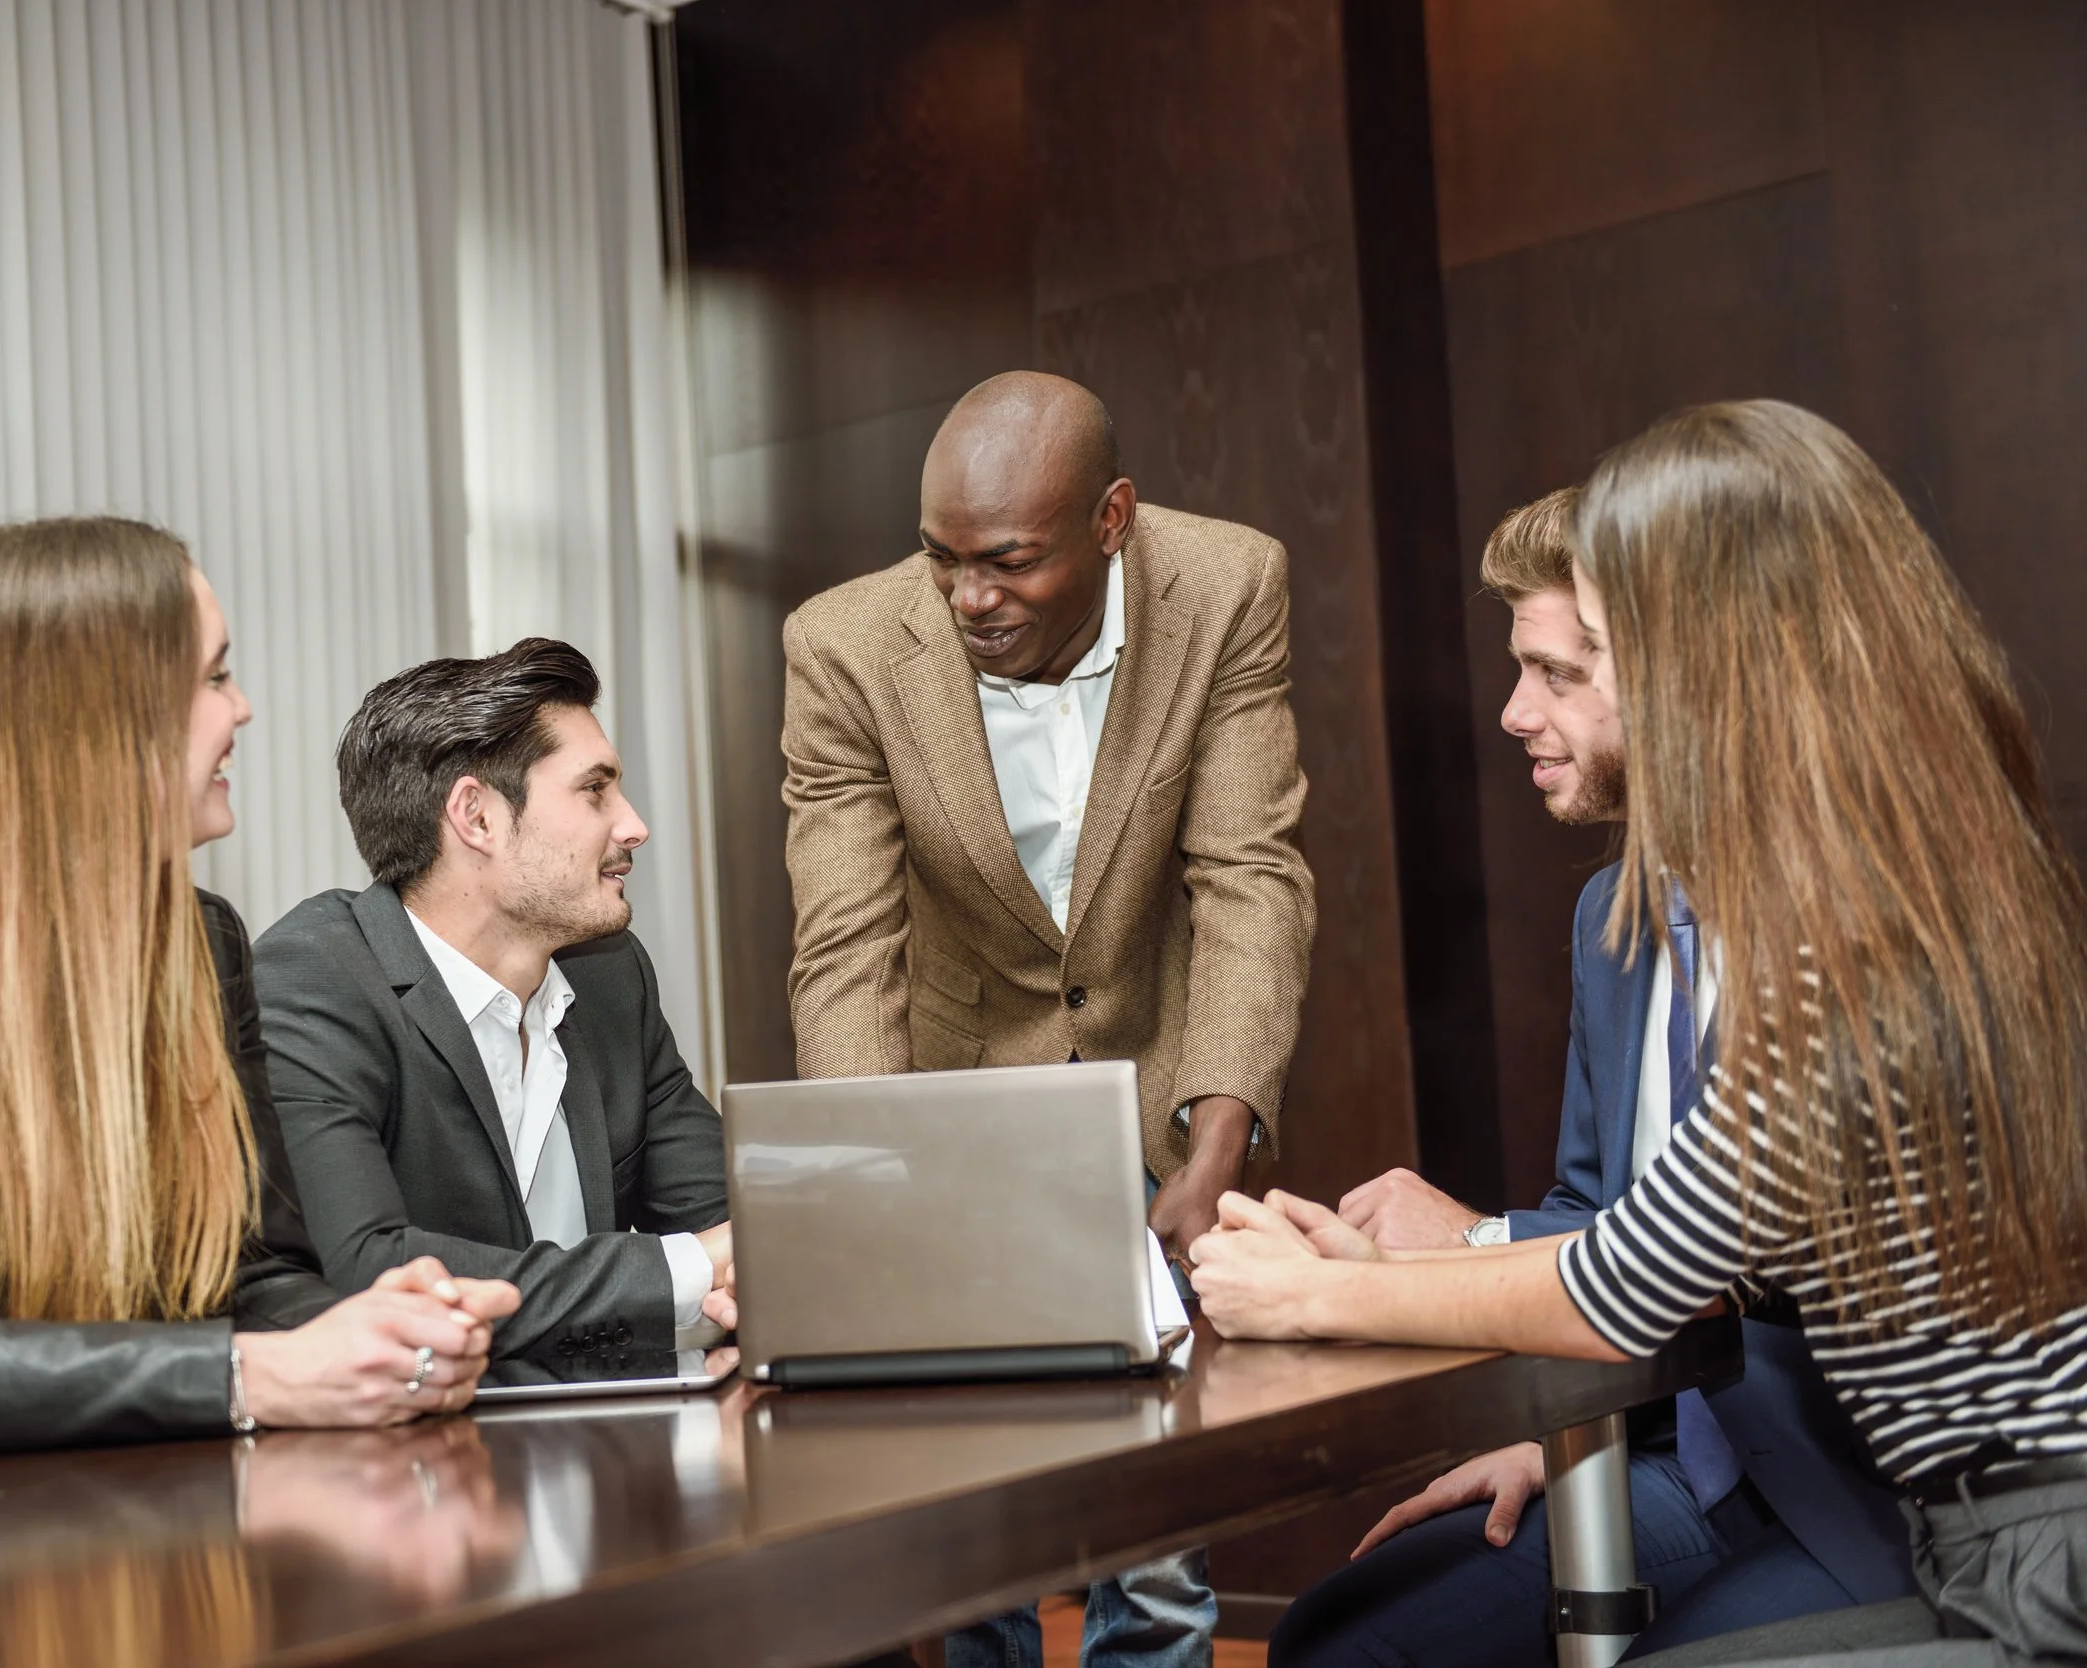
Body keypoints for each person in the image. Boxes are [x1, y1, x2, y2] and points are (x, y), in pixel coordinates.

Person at [1192, 401, 2087, 1665]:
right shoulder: (1921, 878)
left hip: (2035, 1567)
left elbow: (1627, 1294)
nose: (1532, 706)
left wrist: (1322, 1295)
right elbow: (1682, 1257)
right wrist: (1391, 1273)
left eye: (1589, 657)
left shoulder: (1844, 944)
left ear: (1717, 660)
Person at [0, 517, 516, 1485]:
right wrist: (253, 1375)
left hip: (101, 1516)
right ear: (97, 716)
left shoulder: (204, 942)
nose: (241, 708)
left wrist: (366, 1326)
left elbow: (250, 1279)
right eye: (212, 677)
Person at [1270, 488, 1915, 1665]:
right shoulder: (1608, 920)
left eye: (1557, 674)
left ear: (1685, 678)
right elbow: (1597, 1215)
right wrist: (1561, 1432)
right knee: (1339, 1642)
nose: (1514, 712)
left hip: (1872, 1503)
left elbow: (1676, 1275)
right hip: (1680, 1445)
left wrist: (1369, 1275)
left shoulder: (1850, 936)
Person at [782, 370, 1317, 1668]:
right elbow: (849, 945)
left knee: (1161, 1540)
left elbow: (1249, 873)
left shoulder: (1227, 585)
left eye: (1009, 563)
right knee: (979, 1531)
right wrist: (872, 1183)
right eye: (942, 560)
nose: (970, 598)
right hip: (960, 1103)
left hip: (1158, 1069)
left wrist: (1217, 1133)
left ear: (1112, 520)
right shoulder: (844, 646)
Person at [255, 640, 735, 1360]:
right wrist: (688, 1271)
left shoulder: (609, 976)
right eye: (594, 790)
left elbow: (738, 1224)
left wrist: (740, 1264)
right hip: (407, 1457)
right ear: (475, 817)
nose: (633, 825)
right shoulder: (314, 978)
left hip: (613, 1439)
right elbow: (369, 1272)